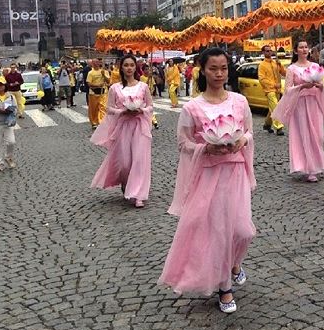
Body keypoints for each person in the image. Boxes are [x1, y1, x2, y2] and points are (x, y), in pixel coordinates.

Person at [158, 47, 256, 314]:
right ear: (203, 69)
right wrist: (205, 148)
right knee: (219, 231)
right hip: (209, 175)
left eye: (223, 68)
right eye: (213, 68)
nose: (219, 74)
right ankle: (225, 287)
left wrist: (241, 141)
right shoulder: (193, 107)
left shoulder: (239, 101)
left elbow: (248, 131)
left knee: (242, 230)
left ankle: (235, 263)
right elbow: (183, 143)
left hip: (235, 171)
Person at [90, 54, 153, 208]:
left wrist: (141, 110)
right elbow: (109, 108)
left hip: (139, 126)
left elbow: (151, 106)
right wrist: (122, 111)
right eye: (126, 65)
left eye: (132, 65)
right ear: (121, 67)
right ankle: (126, 182)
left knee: (139, 160)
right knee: (125, 162)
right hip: (123, 127)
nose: (129, 68)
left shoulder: (143, 86)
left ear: (135, 67)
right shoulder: (115, 88)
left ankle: (138, 194)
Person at [271, 41, 324, 182]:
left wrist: (319, 86)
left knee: (318, 136)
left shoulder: (315, 66)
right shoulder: (291, 69)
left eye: (306, 47)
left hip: (314, 104)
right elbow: (286, 90)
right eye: (301, 47)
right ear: (295, 51)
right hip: (299, 105)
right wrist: (302, 87)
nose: (304, 49)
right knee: (304, 135)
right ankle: (309, 169)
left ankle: (316, 164)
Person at [258, 45, 286, 135]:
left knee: (272, 109)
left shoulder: (275, 63)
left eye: (270, 50)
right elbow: (262, 79)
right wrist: (273, 84)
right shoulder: (262, 65)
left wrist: (280, 65)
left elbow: (284, 73)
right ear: (263, 52)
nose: (269, 52)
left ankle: (267, 124)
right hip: (269, 90)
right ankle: (279, 127)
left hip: (278, 89)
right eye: (267, 51)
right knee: (276, 107)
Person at [86, 58, 110, 128]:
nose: (97, 63)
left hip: (103, 92)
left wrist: (104, 75)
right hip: (93, 93)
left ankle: (102, 121)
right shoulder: (90, 73)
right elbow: (89, 83)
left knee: (103, 107)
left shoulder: (104, 71)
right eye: (95, 62)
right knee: (94, 108)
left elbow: (108, 81)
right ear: (92, 64)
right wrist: (97, 85)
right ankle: (94, 122)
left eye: (98, 62)